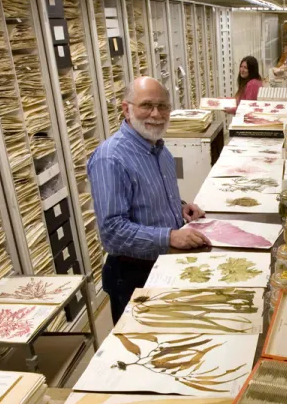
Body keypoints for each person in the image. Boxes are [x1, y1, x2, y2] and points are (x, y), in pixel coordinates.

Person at [88, 76, 208, 321]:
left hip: (165, 264)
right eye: (146, 105)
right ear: (126, 109)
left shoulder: (159, 148)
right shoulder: (110, 158)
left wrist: (182, 208)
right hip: (133, 274)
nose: (156, 113)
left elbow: (149, 199)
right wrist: (170, 236)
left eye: (163, 106)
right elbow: (112, 232)